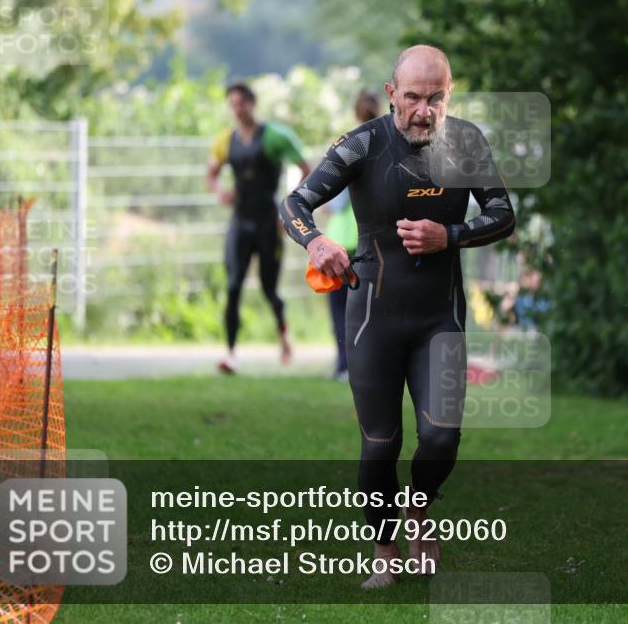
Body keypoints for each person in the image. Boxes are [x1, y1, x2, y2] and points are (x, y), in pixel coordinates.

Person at [279, 45, 515, 589]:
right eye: (412, 97)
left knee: (440, 439)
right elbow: (293, 204)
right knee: (379, 445)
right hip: (373, 319)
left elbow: (503, 214)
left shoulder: (468, 142)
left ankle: (418, 511)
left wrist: (450, 235)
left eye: (436, 98)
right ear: (392, 95)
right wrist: (315, 243)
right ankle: (386, 550)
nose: (423, 110)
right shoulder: (362, 144)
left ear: (448, 94)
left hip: (440, 317)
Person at [206, 81, 312, 374]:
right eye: (233, 105)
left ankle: (284, 336)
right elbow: (211, 174)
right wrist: (220, 191)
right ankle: (230, 354)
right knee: (233, 285)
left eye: (242, 103)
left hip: (269, 222)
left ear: (253, 104)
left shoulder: (276, 136)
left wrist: (290, 208)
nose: (238, 110)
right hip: (240, 221)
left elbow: (307, 170)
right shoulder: (226, 140)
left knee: (269, 289)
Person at [323, 90, 380, 381]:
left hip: (339, 240)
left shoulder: (349, 145)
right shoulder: (385, 144)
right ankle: (365, 365)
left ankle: (344, 365)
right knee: (367, 310)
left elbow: (339, 201)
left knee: (340, 311)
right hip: (369, 241)